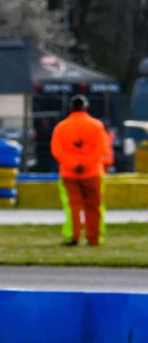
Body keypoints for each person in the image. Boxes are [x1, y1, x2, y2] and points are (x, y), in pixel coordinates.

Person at [50, 95, 108, 247]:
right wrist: (86, 164)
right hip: (93, 173)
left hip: (69, 173)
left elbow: (57, 150)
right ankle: (94, 239)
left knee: (72, 207)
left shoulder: (61, 127)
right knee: (94, 207)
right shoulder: (96, 126)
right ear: (86, 108)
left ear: (70, 108)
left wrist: (73, 165)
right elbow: (101, 149)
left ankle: (72, 237)